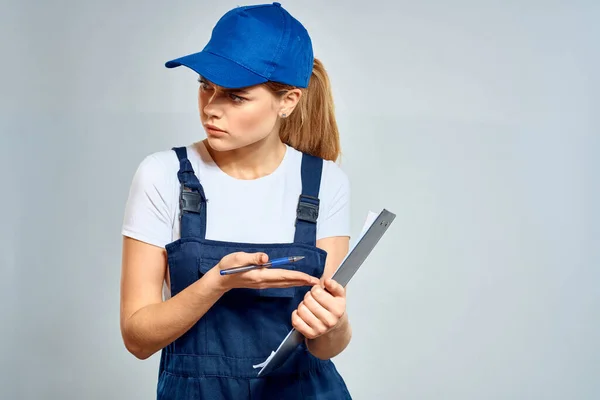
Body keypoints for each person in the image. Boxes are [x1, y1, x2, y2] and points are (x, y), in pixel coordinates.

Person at [119, 2, 353, 399]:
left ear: (288, 101)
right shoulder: (162, 176)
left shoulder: (323, 181)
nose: (211, 108)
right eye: (205, 86)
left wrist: (335, 325)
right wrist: (215, 284)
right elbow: (138, 338)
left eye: (236, 96)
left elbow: (325, 346)